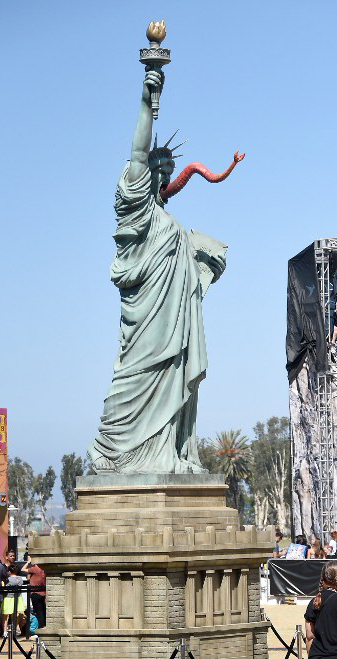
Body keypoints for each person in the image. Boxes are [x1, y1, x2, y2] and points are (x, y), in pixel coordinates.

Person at [87, 66, 241, 474]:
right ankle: (117, 453)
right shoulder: (136, 206)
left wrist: (201, 259)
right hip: (146, 325)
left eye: (169, 176)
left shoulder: (165, 219)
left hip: (173, 322)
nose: (164, 180)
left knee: (173, 376)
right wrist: (148, 98)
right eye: (160, 172)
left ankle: (169, 453)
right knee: (134, 379)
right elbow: (138, 151)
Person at [22, 557, 46, 628]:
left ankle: (41, 627)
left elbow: (22, 569)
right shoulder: (43, 569)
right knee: (42, 610)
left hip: (35, 592)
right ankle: (43, 625)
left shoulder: (35, 568)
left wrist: (28, 562)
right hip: (42, 592)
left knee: (38, 612)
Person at [2, 564, 26, 635]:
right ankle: (14, 630)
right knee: (15, 616)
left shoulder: (8, 579)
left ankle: (5, 631)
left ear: (9, 571)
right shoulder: (20, 579)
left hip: (8, 598)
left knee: (5, 616)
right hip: (18, 598)